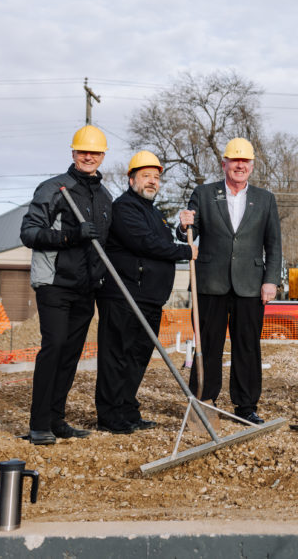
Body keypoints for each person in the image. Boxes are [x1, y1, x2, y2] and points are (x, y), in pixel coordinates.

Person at [19, 125, 113, 445]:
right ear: (73, 153)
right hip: (55, 283)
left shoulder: (104, 197)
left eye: (95, 152)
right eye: (83, 151)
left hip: (86, 287)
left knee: (71, 353)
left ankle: (56, 418)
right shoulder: (53, 189)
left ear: (103, 156)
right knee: (55, 346)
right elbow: (29, 233)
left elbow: (107, 245)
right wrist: (69, 237)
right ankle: (38, 423)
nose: (89, 156)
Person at [177, 138, 282, 424]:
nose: (239, 166)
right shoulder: (203, 193)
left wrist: (271, 280)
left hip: (250, 285)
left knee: (247, 346)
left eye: (244, 161)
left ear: (251, 166)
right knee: (208, 344)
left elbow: (274, 245)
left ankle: (246, 406)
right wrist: (183, 223)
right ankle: (205, 402)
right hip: (210, 283)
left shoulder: (265, 199)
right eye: (234, 161)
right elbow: (187, 232)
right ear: (224, 164)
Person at [95, 151, 196, 434]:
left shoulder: (153, 212)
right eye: (146, 176)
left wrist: (181, 230)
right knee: (117, 356)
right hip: (125, 295)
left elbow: (162, 237)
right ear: (131, 179)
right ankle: (110, 416)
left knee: (138, 357)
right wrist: (185, 251)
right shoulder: (124, 208)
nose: (152, 182)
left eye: (156, 177)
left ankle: (127, 410)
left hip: (150, 298)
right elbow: (146, 243)